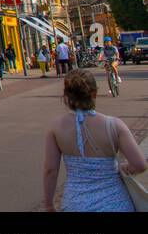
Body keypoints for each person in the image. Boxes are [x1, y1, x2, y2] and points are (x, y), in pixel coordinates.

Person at [43, 69, 147, 211]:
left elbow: (50, 170)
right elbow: (140, 164)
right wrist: (125, 168)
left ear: (67, 96)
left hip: (76, 203)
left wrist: (49, 204)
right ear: (94, 94)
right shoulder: (114, 125)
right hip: (115, 203)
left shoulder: (56, 127)